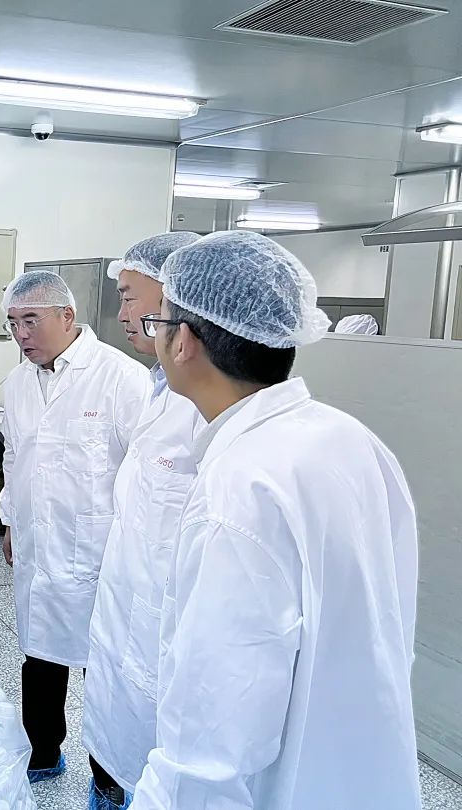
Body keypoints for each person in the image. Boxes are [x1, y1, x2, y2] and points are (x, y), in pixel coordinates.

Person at [130, 231, 420, 809]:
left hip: (286, 786)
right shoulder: (348, 438)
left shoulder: (240, 489)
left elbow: (212, 740)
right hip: (361, 768)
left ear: (183, 342)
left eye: (159, 322)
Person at [0, 270, 150, 783]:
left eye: (31, 321)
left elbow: (145, 471)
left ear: (67, 317)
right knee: (39, 655)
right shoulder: (19, 382)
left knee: (103, 669)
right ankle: (43, 751)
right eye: (13, 323)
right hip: (39, 545)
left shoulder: (120, 377)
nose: (21, 334)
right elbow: (15, 458)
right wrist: (10, 522)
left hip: (98, 553)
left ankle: (110, 778)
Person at [81, 232, 202, 810]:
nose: (123, 313)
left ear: (175, 294)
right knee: (119, 723)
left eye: (130, 296)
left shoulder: (204, 408)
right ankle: (110, 786)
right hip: (128, 603)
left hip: (166, 623)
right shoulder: (159, 386)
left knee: (158, 752)